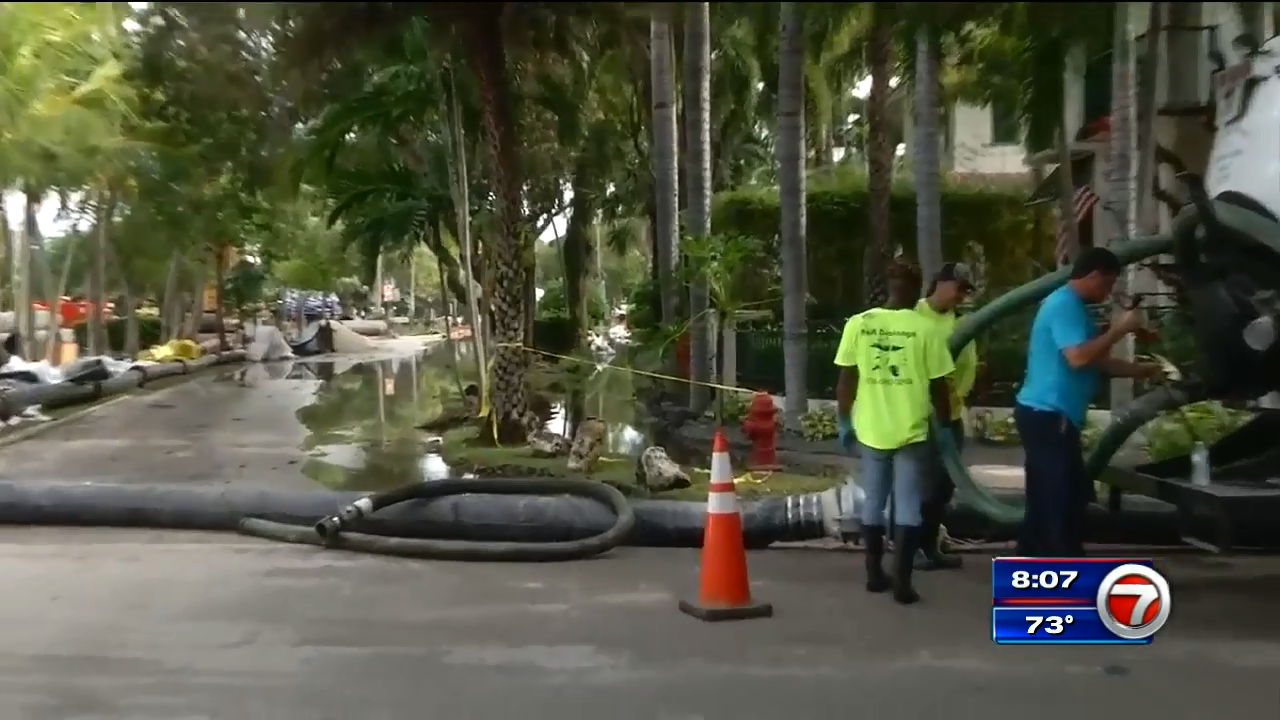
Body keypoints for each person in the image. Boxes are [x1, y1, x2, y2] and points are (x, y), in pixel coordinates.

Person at [1015, 247, 1165, 558]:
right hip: (1048, 414)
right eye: (1107, 285)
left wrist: (1144, 370)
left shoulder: (1075, 309)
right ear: (1093, 275)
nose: (1108, 293)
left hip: (1052, 416)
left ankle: (1031, 558)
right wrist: (1118, 330)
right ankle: (1063, 566)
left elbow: (1099, 360)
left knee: (1052, 495)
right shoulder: (1063, 305)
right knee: (1061, 499)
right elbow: (1079, 358)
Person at [834, 262, 954, 605]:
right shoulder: (926, 329)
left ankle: (874, 574)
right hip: (911, 432)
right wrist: (944, 426)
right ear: (918, 289)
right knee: (908, 506)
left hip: (870, 429)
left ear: (887, 286)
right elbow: (939, 388)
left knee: (874, 501)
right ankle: (903, 583)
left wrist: (844, 420)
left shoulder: (860, 324)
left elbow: (846, 379)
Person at [915, 263, 978, 570]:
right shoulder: (914, 317)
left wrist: (958, 396)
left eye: (966, 291)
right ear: (941, 283)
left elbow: (969, 366)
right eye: (959, 288)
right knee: (921, 485)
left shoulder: (961, 323)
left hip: (950, 416)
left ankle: (930, 544)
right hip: (920, 417)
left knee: (944, 485)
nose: (961, 296)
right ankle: (911, 547)